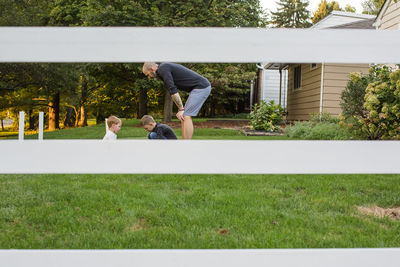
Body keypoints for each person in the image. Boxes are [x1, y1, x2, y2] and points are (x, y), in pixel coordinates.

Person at [142, 62, 211, 139]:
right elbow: (172, 90)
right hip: (197, 88)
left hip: (201, 87)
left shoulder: (162, 69)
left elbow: (173, 90)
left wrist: (181, 108)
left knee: (186, 116)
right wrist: (180, 109)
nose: (148, 77)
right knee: (183, 116)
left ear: (151, 69)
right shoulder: (163, 69)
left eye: (147, 74)